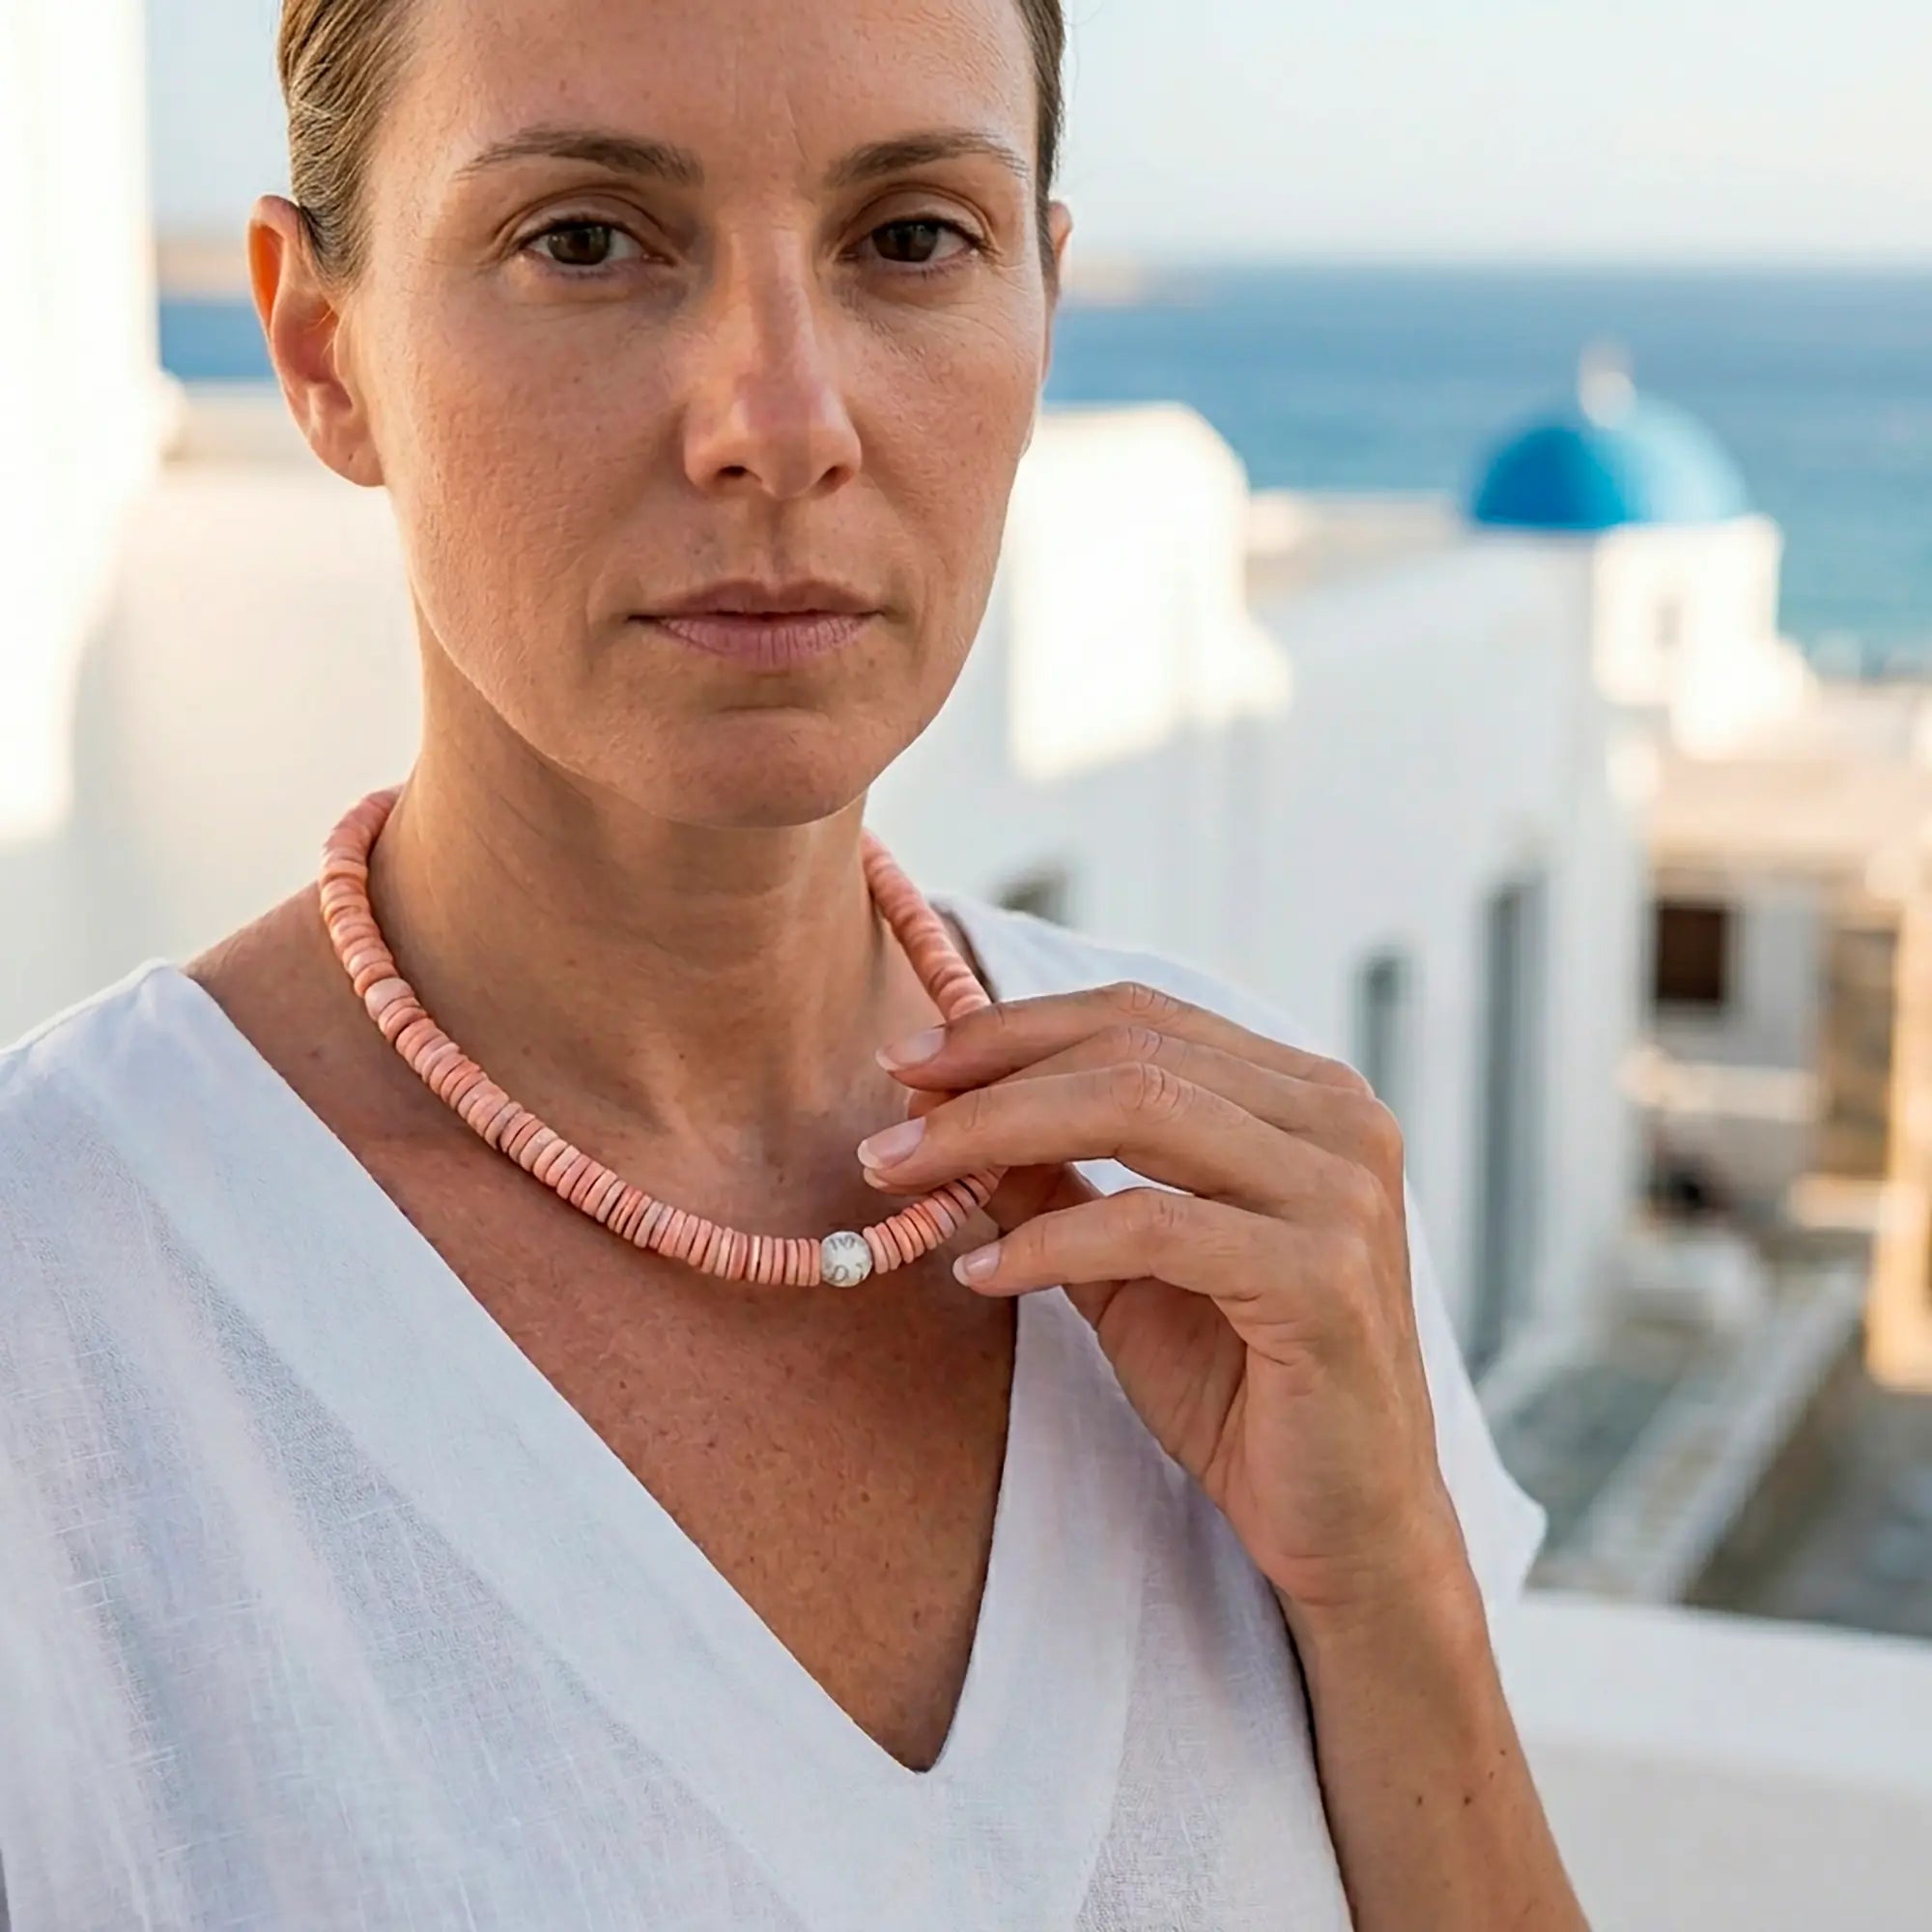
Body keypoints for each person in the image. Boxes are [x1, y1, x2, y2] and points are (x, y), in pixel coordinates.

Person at [0, 0, 1586, 1924]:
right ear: (325, 347)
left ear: (1039, 312)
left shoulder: (1233, 1184)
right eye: (586, 238)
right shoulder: (57, 1306)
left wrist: (1393, 1592)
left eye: (910, 238)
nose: (782, 423)